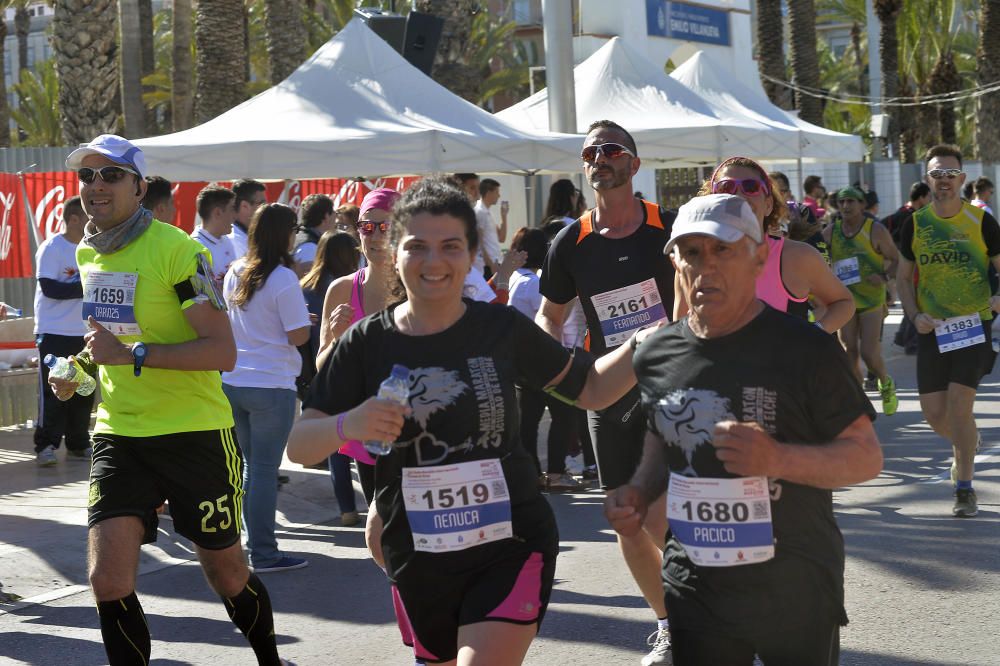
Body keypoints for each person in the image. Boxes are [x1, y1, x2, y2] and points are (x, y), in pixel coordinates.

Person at [287, 176, 645, 665]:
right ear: (394, 250)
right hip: (417, 554)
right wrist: (350, 423)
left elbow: (591, 388)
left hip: (512, 545)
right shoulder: (366, 342)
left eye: (451, 246)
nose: (434, 262)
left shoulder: (499, 329)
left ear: (473, 252)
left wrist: (643, 346)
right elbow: (300, 445)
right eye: (418, 247)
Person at [606, 192, 882, 665]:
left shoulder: (806, 349)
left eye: (722, 250)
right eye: (691, 253)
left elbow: (865, 455)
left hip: (794, 585)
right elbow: (661, 436)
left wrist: (777, 459)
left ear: (758, 259)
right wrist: (639, 489)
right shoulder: (656, 353)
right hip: (694, 582)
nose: (705, 266)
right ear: (675, 264)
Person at [51, 134, 292, 665]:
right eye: (86, 176)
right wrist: (78, 372)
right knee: (106, 579)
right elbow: (107, 342)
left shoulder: (181, 251)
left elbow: (222, 351)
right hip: (120, 434)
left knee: (225, 573)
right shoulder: (88, 250)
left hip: (194, 434)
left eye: (110, 175)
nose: (96, 186)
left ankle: (270, 660)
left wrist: (131, 354)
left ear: (139, 187)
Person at [536, 119, 676, 665]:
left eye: (612, 149)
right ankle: (669, 623)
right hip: (610, 390)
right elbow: (551, 317)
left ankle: (719, 603)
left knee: (668, 512)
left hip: (674, 385)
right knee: (627, 515)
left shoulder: (670, 228)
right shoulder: (571, 242)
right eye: (591, 151)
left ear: (635, 165)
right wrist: (560, 371)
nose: (600, 157)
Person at [896, 144, 1000, 518]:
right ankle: (967, 442)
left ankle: (965, 488)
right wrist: (914, 315)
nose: (943, 180)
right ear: (928, 179)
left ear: (962, 178)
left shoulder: (981, 222)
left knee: (959, 405)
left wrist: (998, 299)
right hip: (932, 329)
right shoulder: (916, 224)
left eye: (950, 174)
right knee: (936, 415)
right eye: (936, 174)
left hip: (973, 327)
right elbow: (904, 278)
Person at [221, 203, 312, 573]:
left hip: (235, 381)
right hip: (271, 384)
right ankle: (265, 553)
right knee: (261, 470)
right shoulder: (283, 277)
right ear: (285, 233)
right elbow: (298, 335)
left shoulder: (235, 271)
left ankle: (252, 547)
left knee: (248, 470)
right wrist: (304, 320)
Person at [676, 157, 854, 334]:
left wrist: (810, 337)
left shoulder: (796, 256)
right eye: (726, 187)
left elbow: (843, 303)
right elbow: (680, 328)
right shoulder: (692, 261)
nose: (738, 195)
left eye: (750, 187)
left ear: (768, 205)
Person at [318, 188, 403, 509]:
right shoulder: (341, 290)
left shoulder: (419, 287)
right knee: (380, 529)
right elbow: (322, 367)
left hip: (418, 429)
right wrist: (338, 338)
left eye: (386, 227)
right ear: (358, 231)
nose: (376, 235)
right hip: (365, 428)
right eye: (368, 226)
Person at [508, 227, 583, 491]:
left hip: (520, 361)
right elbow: (556, 310)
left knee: (528, 420)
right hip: (544, 360)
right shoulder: (533, 285)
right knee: (564, 415)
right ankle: (555, 472)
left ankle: (532, 474)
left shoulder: (518, 279)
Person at [300, 231, 364, 525]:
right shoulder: (348, 287)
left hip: (316, 372)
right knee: (359, 441)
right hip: (348, 371)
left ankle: (346, 509)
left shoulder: (305, 287)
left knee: (338, 444)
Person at [824, 186, 899, 413]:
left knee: (868, 351)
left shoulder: (874, 230)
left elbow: (896, 259)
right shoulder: (830, 232)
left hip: (871, 300)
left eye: (851, 201)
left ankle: (885, 383)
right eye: (842, 201)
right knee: (849, 350)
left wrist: (884, 276)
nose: (846, 206)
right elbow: (817, 257)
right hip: (843, 300)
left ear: (862, 205)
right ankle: (857, 398)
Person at [33, 195, 93, 467]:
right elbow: (50, 288)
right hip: (54, 331)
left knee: (83, 391)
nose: (93, 220)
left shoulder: (91, 248)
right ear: (73, 220)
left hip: (82, 333)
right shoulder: (52, 248)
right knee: (54, 393)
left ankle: (79, 444)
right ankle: (45, 445)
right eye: (87, 216)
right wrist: (88, 287)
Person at [885, 182, 932, 356]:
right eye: (928, 197)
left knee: (909, 303)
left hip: (903, 267)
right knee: (913, 303)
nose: (930, 200)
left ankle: (901, 337)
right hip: (908, 269)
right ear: (921, 197)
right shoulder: (912, 217)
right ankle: (912, 343)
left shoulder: (901, 212)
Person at [191, 185, 238, 287]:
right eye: (232, 209)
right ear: (217, 212)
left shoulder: (226, 239)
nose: (235, 215)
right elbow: (196, 296)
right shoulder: (196, 248)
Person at [293, 194, 336, 277]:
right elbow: (309, 285)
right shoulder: (309, 248)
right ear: (326, 216)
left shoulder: (304, 239)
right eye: (334, 212)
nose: (336, 215)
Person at [473, 178, 509, 279]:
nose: (499, 195)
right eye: (497, 192)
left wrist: (504, 216)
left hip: (495, 263)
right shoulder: (480, 212)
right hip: (488, 266)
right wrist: (490, 264)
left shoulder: (487, 212)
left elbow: (501, 238)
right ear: (489, 192)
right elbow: (479, 243)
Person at [227, 179, 268, 258]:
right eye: (262, 204)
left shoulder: (244, 233)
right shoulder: (235, 239)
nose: (266, 208)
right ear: (244, 205)